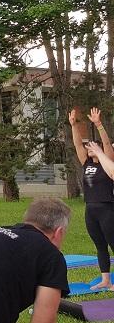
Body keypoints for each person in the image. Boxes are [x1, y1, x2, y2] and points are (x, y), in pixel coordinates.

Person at [69, 107, 114, 290]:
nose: (89, 149)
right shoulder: (86, 163)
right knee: (100, 245)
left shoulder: (107, 161)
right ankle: (105, 280)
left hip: (107, 209)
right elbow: (78, 144)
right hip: (91, 210)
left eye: (92, 147)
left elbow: (108, 146)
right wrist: (73, 125)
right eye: (89, 148)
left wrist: (98, 124)